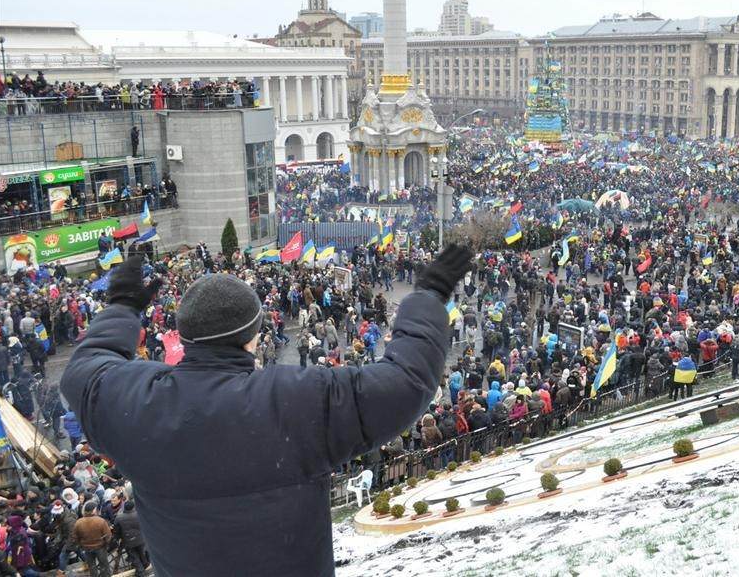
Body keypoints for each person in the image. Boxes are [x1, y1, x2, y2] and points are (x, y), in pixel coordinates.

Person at [61, 247, 473, 577]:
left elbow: (84, 369)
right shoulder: (297, 398)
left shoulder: (132, 402)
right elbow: (406, 381)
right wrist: (429, 295)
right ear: (254, 337)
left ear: (183, 336)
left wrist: (121, 306)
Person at [71, 501, 112, 577]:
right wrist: (106, 544)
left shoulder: (79, 522)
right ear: (93, 510)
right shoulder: (100, 521)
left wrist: (81, 544)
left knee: (92, 567)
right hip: (100, 547)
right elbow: (108, 535)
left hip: (87, 548)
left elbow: (75, 537)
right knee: (104, 566)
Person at [113, 500, 148, 577]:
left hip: (128, 542)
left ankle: (141, 573)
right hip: (141, 540)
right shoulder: (139, 514)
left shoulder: (119, 518)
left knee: (135, 559)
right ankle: (142, 571)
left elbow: (116, 532)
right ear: (133, 507)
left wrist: (116, 540)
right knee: (143, 557)